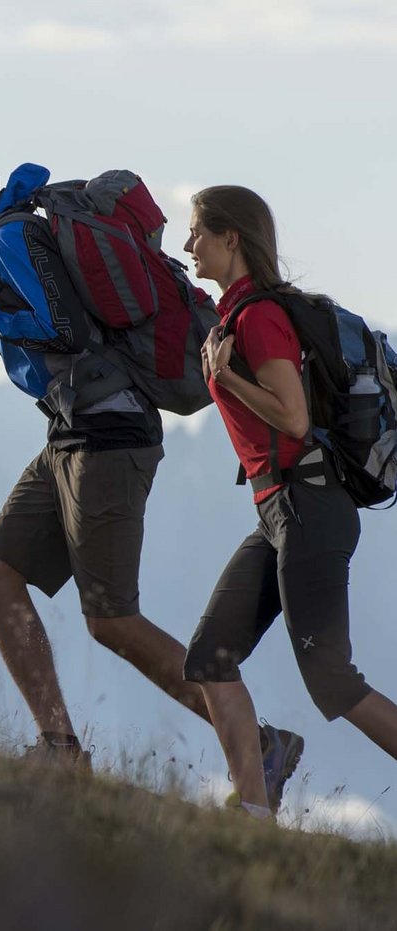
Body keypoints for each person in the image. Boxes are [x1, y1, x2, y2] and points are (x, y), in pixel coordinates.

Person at [0, 126, 300, 806]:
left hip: (108, 434)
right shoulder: (3, 239)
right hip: (71, 432)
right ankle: (60, 749)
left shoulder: (8, 239)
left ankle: (260, 744)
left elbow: (66, 329)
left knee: (111, 617)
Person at [182, 184, 397, 818]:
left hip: (309, 505)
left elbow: (295, 419)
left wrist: (226, 379)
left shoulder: (259, 318)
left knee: (331, 678)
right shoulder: (236, 317)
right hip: (279, 511)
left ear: (232, 238)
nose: (189, 243)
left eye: (198, 231)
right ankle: (253, 812)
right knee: (210, 658)